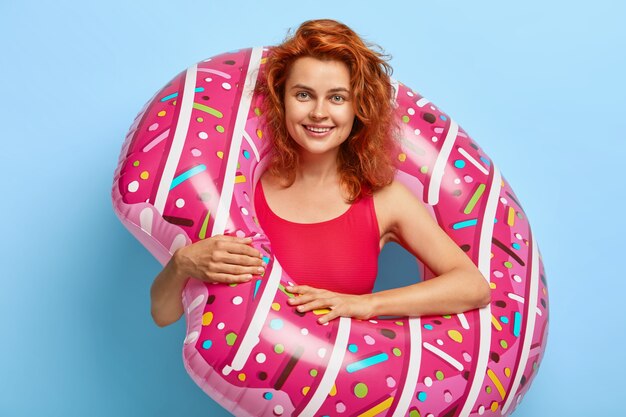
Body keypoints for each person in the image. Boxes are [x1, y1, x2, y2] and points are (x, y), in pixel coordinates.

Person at [150, 19, 491, 328]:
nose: (318, 113)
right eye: (303, 95)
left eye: (337, 98)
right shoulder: (240, 193)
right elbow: (163, 316)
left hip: (348, 391)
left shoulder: (385, 200)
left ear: (358, 107)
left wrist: (365, 304)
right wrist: (181, 263)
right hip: (242, 391)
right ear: (281, 100)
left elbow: (472, 286)